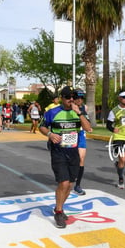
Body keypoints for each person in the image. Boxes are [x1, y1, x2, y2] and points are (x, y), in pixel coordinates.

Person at [39, 86, 92, 228]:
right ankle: (58, 211)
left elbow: (88, 128)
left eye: (73, 97)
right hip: (58, 151)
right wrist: (50, 134)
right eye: (68, 97)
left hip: (73, 152)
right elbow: (42, 126)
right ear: (62, 98)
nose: (71, 100)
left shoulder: (80, 112)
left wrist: (79, 113)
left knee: (69, 184)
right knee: (63, 182)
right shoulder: (52, 112)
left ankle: (60, 208)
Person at [72, 88, 92, 195]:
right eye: (77, 97)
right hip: (70, 135)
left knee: (81, 158)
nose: (79, 100)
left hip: (80, 135)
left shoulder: (84, 107)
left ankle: (78, 185)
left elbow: (87, 122)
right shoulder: (68, 108)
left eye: (81, 97)